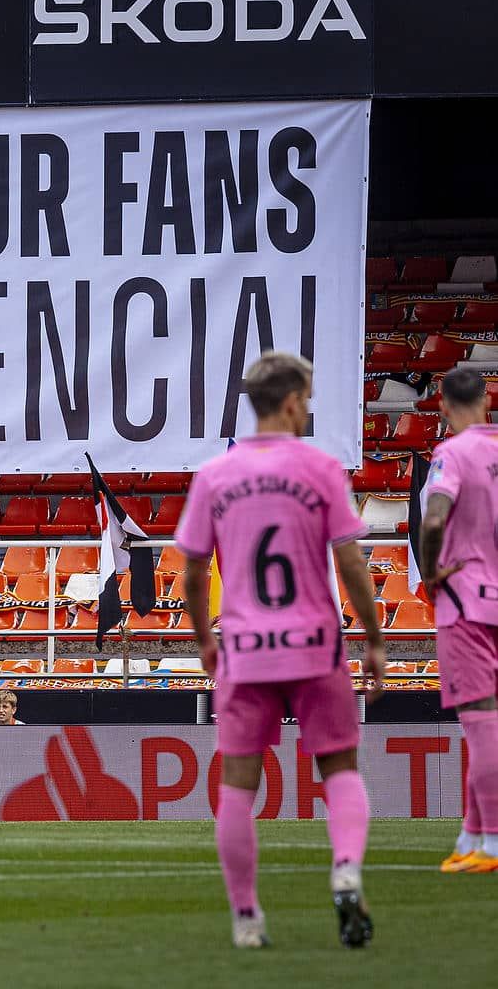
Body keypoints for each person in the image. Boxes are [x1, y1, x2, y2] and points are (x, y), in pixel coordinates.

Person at [178, 351, 386, 950]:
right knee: (339, 768)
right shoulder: (320, 467)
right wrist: (373, 639)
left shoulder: (216, 475)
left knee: (238, 786)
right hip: (316, 644)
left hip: (245, 647)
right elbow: (351, 563)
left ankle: (246, 919)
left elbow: (192, 573)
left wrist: (203, 639)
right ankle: (345, 868)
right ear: (293, 401)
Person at [417, 368, 498, 873]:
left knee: (482, 724)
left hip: (467, 603)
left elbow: (433, 517)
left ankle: (492, 843)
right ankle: (471, 835)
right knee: (486, 726)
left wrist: (429, 572)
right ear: (488, 398)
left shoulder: (453, 452)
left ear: (444, 406)